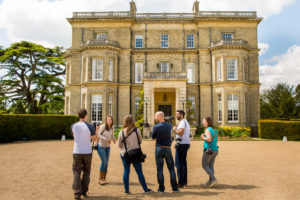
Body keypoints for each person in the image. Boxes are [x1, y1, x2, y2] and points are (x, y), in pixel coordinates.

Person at [118, 115, 153, 194]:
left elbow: (119, 145)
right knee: (139, 172)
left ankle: (126, 190)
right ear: (133, 121)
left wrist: (125, 148)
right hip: (135, 153)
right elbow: (140, 141)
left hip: (125, 153)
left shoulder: (121, 131)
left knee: (126, 171)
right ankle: (145, 189)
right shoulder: (137, 130)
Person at [71, 108, 99, 200]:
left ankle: (77, 193)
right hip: (87, 151)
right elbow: (94, 139)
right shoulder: (90, 126)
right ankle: (84, 191)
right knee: (86, 171)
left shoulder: (73, 126)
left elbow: (74, 137)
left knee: (76, 172)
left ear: (78, 116)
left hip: (77, 151)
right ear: (86, 116)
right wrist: (97, 131)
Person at [152, 111, 179, 193]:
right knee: (171, 169)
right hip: (167, 148)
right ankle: (175, 188)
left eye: (155, 116)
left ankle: (161, 188)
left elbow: (153, 137)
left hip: (159, 148)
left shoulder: (156, 127)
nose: (154, 118)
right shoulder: (169, 125)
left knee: (159, 169)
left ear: (160, 117)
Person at [172, 109, 190, 188]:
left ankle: (180, 183)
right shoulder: (185, 122)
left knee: (178, 164)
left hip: (182, 144)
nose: (176, 115)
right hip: (184, 144)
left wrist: (175, 129)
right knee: (183, 163)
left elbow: (181, 132)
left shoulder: (182, 122)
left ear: (182, 114)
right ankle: (184, 182)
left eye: (177, 114)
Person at [97, 115, 116, 185]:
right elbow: (98, 134)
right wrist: (106, 139)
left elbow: (112, 135)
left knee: (106, 163)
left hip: (108, 147)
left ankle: (104, 178)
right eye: (108, 120)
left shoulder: (112, 127)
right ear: (106, 120)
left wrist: (113, 138)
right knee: (104, 161)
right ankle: (100, 178)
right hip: (101, 146)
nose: (109, 121)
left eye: (110, 120)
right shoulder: (103, 126)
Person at [201, 117, 219, 187]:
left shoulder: (207, 129)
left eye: (204, 121)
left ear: (208, 122)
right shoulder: (215, 130)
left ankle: (214, 179)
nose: (203, 123)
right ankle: (210, 181)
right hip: (215, 150)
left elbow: (209, 139)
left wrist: (203, 137)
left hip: (209, 151)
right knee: (210, 166)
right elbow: (217, 140)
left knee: (204, 165)